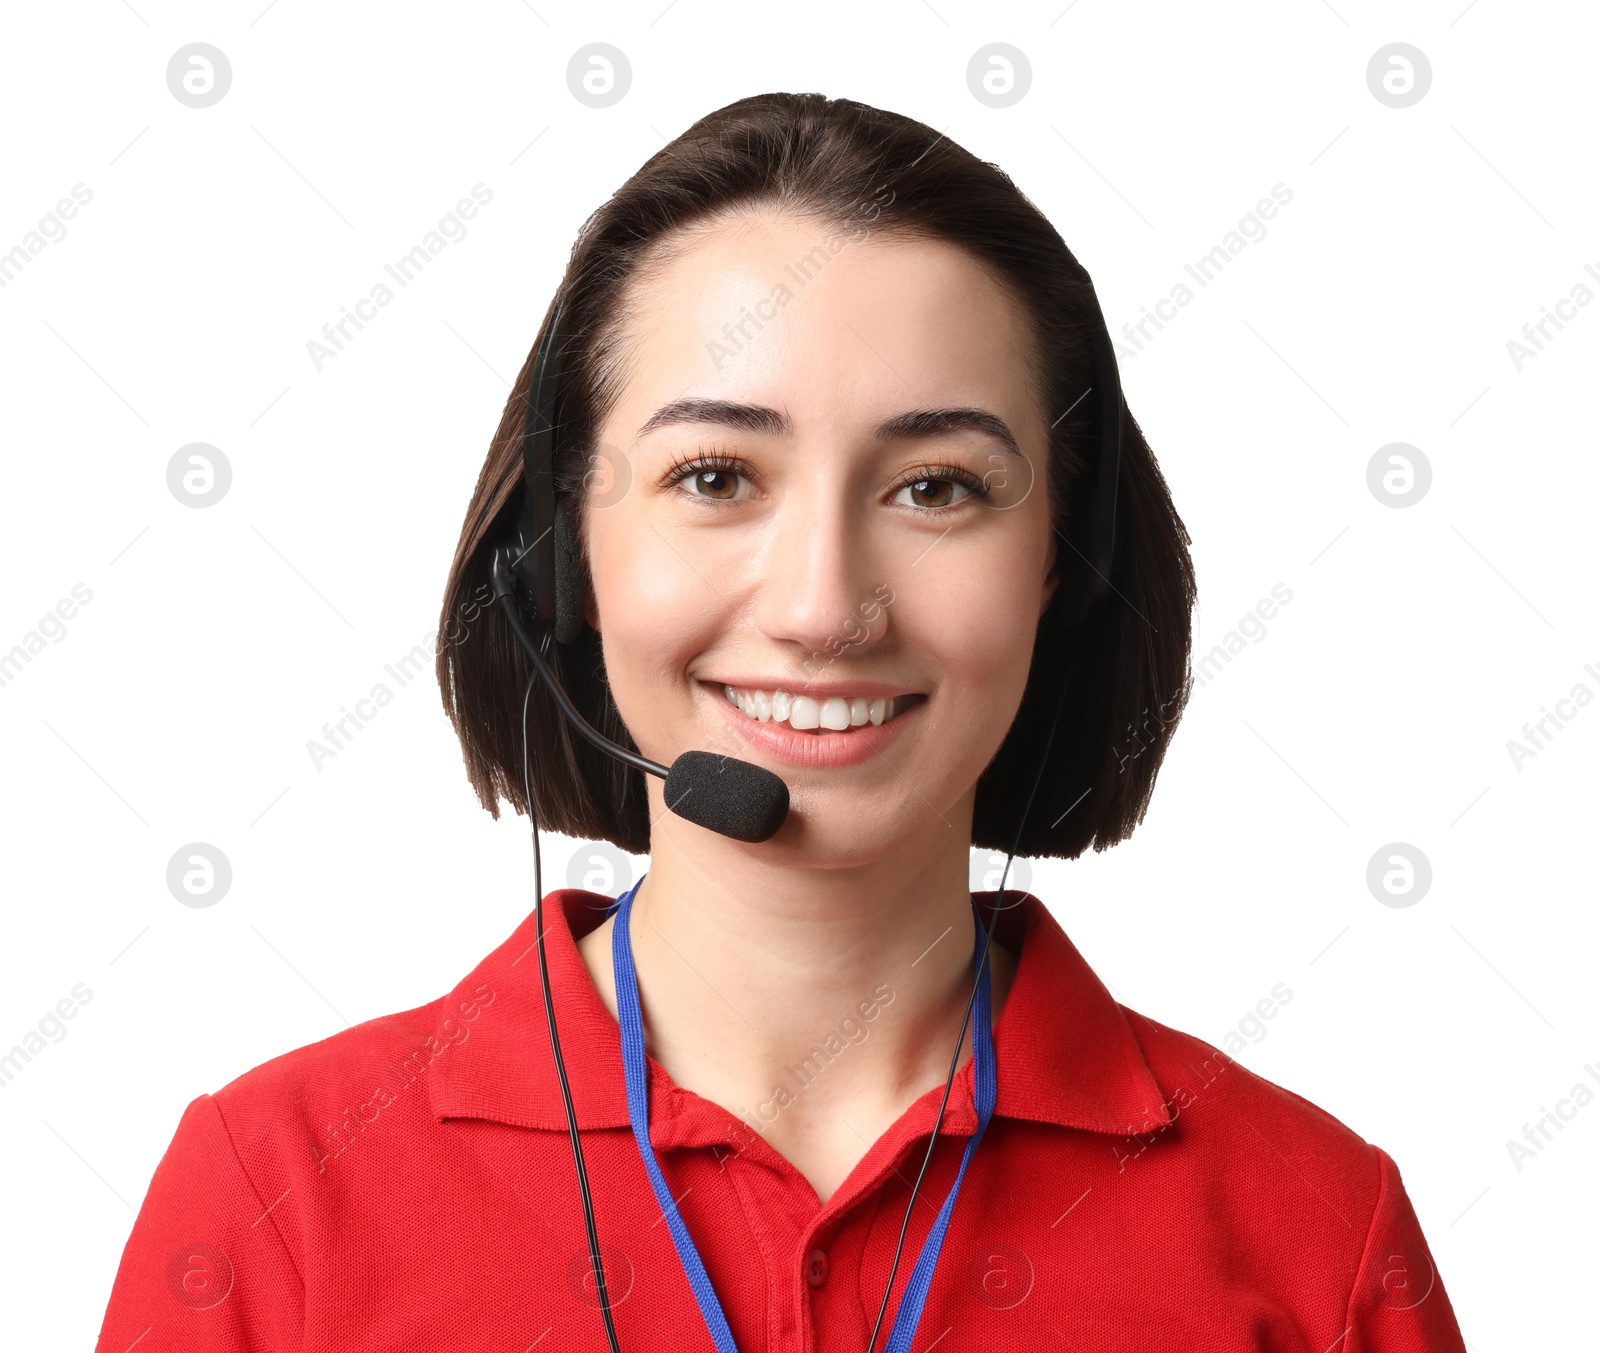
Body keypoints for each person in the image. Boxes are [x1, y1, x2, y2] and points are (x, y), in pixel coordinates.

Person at [96, 93, 1467, 1352]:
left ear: (1061, 557)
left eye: (937, 487)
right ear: (562, 553)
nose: (824, 606)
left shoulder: (1314, 1236)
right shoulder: (275, 1196)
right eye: (713, 474)